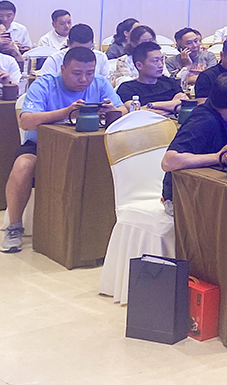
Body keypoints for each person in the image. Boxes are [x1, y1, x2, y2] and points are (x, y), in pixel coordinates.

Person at [4, 47, 125, 252]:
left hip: (89, 147)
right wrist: (66, 112)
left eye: (89, 73)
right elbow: (26, 121)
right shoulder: (44, 84)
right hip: (42, 147)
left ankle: (104, 226)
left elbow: (122, 109)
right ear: (62, 69)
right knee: (22, 166)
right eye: (77, 73)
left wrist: (112, 111)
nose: (84, 79)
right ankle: (14, 227)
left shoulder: (100, 83)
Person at [158, 72, 227, 215]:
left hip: (215, 187)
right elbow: (169, 162)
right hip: (183, 197)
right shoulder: (202, 121)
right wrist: (217, 157)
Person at [116, 41, 186, 113]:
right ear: (139, 65)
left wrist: (151, 105)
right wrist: (171, 106)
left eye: (162, 60)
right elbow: (136, 112)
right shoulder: (127, 88)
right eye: (155, 61)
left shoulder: (170, 82)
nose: (161, 65)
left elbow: (185, 105)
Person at [37, 23, 113, 79]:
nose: (82, 54)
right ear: (68, 43)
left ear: (93, 44)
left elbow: (106, 86)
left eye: (87, 50)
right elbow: (42, 86)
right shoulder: (55, 60)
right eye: (77, 50)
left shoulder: (101, 58)